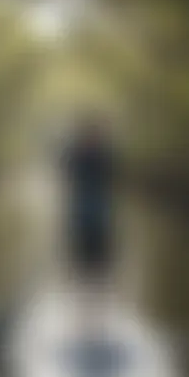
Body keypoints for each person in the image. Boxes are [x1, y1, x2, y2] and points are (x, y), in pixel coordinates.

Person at [61, 114, 116, 282]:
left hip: (97, 198)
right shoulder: (77, 152)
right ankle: (84, 264)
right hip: (84, 198)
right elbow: (68, 171)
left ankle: (96, 265)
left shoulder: (104, 153)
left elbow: (114, 173)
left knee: (98, 228)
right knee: (84, 229)